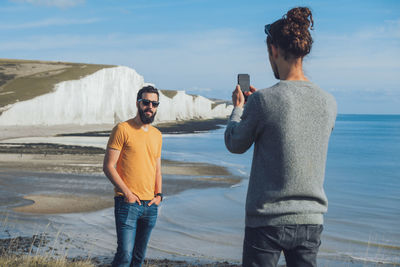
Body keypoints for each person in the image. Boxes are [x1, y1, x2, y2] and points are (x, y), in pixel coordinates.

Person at [224, 7, 337, 267]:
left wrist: (240, 108)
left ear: (273, 50)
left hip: (267, 220)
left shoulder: (263, 101)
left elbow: (234, 143)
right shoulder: (329, 102)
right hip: (311, 220)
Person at [103, 85, 163, 267]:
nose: (150, 107)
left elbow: (157, 169)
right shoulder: (123, 129)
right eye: (146, 102)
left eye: (154, 103)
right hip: (127, 203)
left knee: (138, 259)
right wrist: (127, 194)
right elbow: (108, 166)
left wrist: (159, 195)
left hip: (150, 206)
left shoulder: (157, 135)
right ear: (138, 103)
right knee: (124, 257)